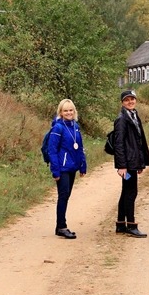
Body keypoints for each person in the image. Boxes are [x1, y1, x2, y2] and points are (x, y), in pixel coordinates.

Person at [113, 89, 149, 238]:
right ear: (122, 102)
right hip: (127, 165)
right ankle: (131, 225)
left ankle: (121, 224)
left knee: (126, 192)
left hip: (133, 162)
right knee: (131, 192)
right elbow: (119, 144)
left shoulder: (134, 115)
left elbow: (138, 142)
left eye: (132, 99)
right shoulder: (122, 119)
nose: (130, 102)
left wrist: (141, 163)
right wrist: (121, 166)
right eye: (127, 100)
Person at [47, 99, 87, 239]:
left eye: (71, 110)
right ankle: (62, 227)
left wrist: (83, 165)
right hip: (62, 168)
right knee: (63, 196)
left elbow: (79, 147)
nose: (68, 113)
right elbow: (52, 150)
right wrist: (55, 171)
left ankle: (59, 227)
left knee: (66, 196)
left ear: (74, 111)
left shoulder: (75, 126)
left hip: (72, 167)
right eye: (65, 110)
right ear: (61, 112)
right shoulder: (58, 128)